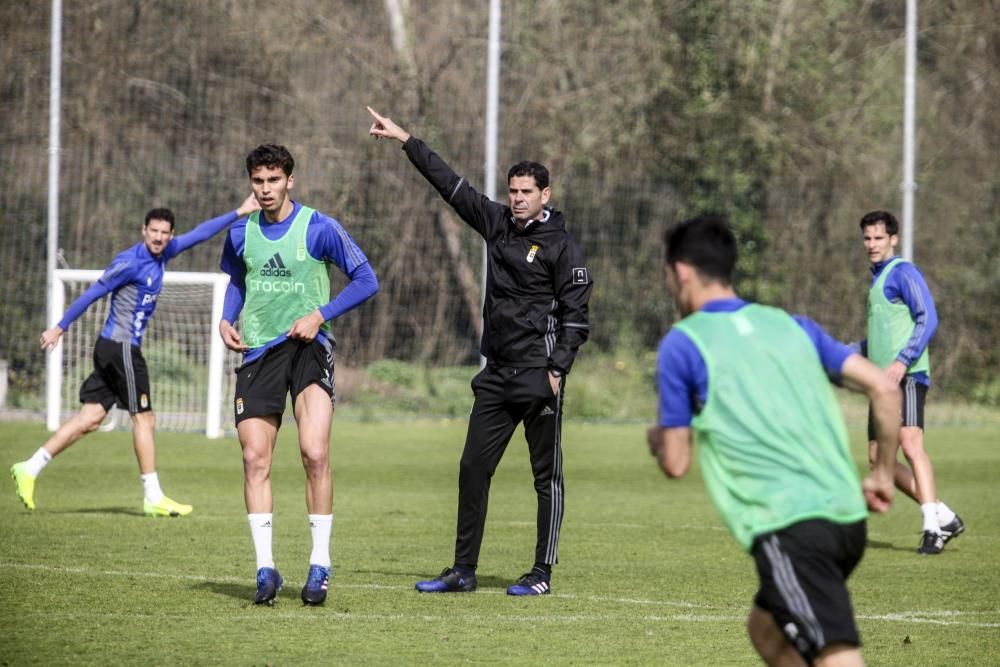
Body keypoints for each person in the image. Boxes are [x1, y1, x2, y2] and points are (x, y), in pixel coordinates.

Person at [648, 216, 902, 666]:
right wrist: (882, 475)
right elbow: (883, 388)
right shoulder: (790, 324)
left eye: (668, 276)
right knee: (765, 629)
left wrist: (658, 437)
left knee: (837, 656)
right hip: (846, 517)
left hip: (789, 528)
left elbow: (675, 462)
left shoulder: (682, 344)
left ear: (682, 272)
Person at [367, 106, 593, 597]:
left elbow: (577, 317)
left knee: (545, 477)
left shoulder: (561, 246)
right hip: (496, 374)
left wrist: (558, 369)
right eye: (512, 191)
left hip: (539, 373)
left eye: (525, 192)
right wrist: (407, 140)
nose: (516, 199)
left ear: (544, 196)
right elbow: (449, 184)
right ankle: (463, 571)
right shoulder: (496, 224)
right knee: (472, 468)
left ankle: (541, 574)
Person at [10, 195, 260, 517]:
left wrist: (240, 211)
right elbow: (91, 294)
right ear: (144, 230)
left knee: (90, 419)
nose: (158, 237)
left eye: (164, 232)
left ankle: (30, 467)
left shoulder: (166, 253)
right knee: (145, 418)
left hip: (113, 348)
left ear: (169, 234)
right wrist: (60, 327)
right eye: (153, 231)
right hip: (121, 348)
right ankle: (153, 496)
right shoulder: (128, 262)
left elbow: (201, 233)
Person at [218, 143, 379, 606]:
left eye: (273, 180)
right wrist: (228, 320)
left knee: (313, 452)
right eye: (257, 181)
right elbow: (237, 280)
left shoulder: (320, 228)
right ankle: (266, 569)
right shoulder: (240, 233)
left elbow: (367, 279)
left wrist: (320, 314)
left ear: (290, 180)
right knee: (254, 459)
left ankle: (320, 563)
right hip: (259, 352)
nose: (265, 189)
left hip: (309, 348)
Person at [858, 210, 964, 555]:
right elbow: (877, 341)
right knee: (877, 459)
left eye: (878, 238)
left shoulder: (903, 272)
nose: (872, 244)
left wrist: (903, 361)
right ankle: (943, 514)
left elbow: (927, 316)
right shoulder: (876, 281)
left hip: (907, 376)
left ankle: (932, 529)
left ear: (893, 238)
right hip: (881, 383)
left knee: (909, 442)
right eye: (867, 238)